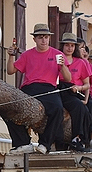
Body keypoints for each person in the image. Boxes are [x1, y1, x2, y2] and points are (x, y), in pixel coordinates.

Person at [5, 23, 72, 153]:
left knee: (57, 110)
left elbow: (68, 78)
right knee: (10, 108)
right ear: (34, 39)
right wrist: (11, 56)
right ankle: (22, 142)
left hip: (49, 87)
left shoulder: (57, 54)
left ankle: (45, 144)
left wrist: (63, 66)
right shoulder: (27, 54)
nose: (43, 40)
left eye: (46, 37)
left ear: (49, 38)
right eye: (40, 37)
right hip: (30, 87)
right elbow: (10, 70)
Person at [58, 33, 92, 150]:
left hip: (73, 90)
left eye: (72, 45)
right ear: (62, 46)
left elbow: (87, 85)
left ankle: (78, 138)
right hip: (58, 88)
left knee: (82, 108)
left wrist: (79, 89)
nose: (69, 48)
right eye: (67, 45)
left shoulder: (81, 62)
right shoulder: (56, 58)